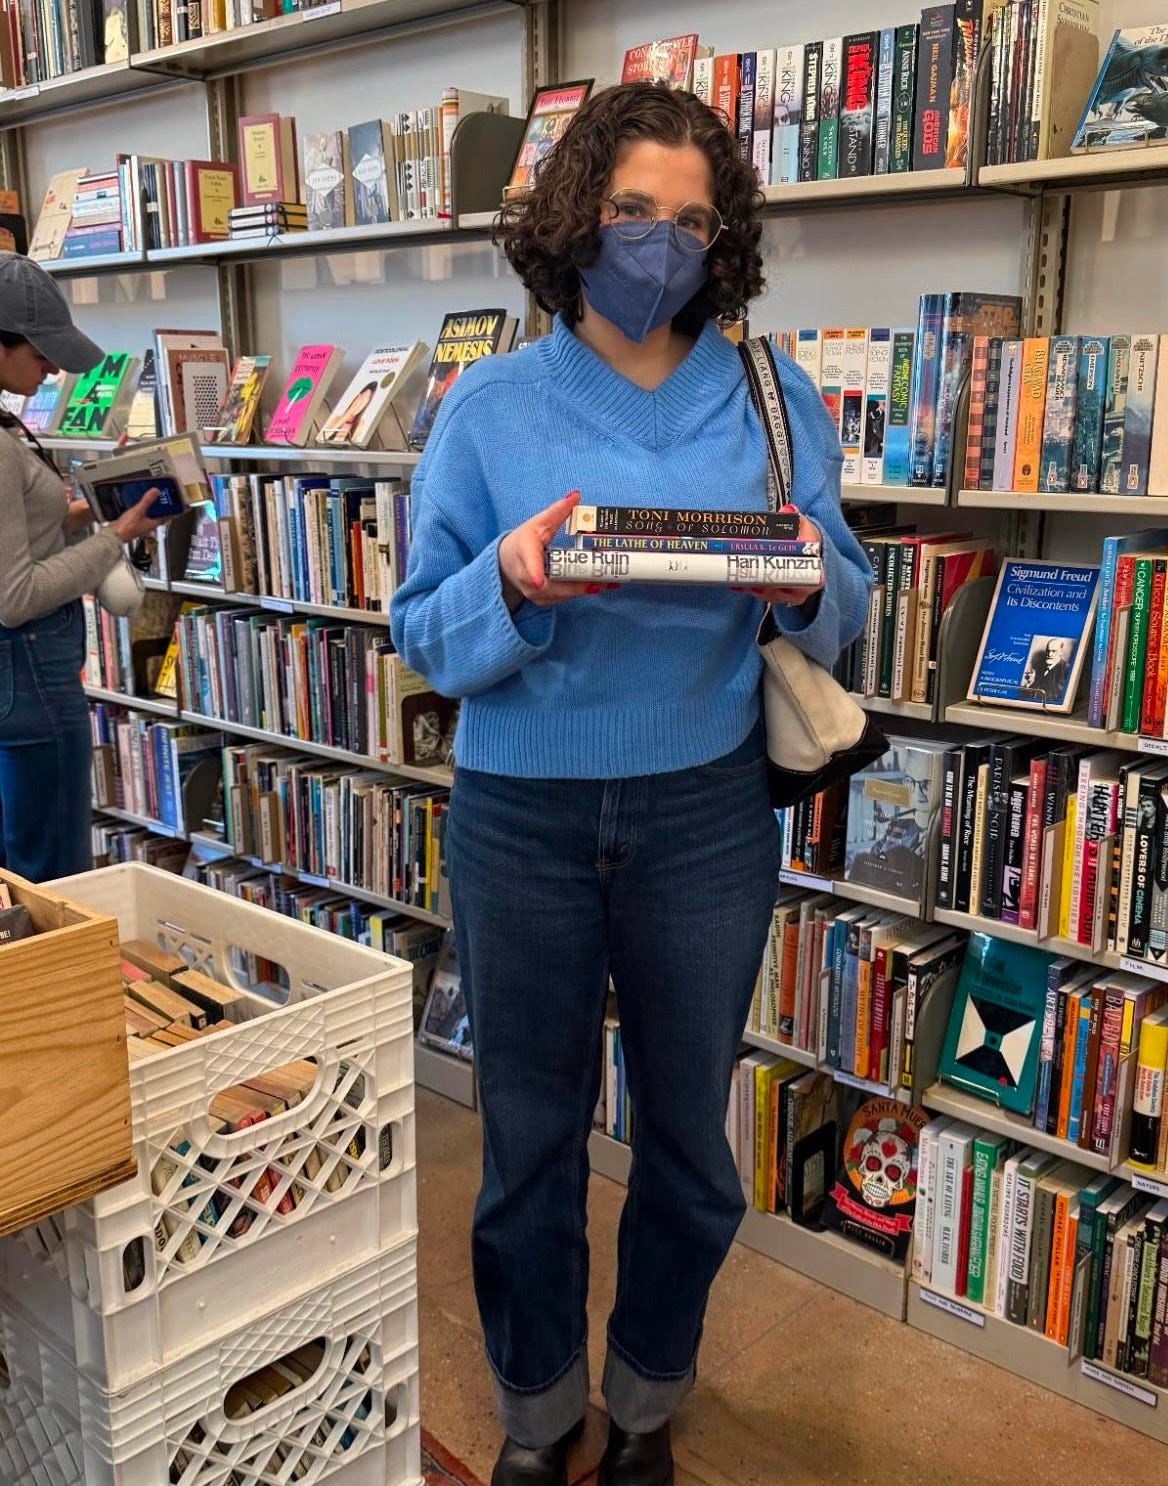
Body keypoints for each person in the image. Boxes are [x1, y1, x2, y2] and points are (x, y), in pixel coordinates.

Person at [390, 83, 871, 1486]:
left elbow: (841, 607)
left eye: (693, 221)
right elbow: (423, 633)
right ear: (575, 218)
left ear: (724, 242)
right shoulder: (490, 406)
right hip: (522, 817)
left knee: (688, 1145)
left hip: (703, 816)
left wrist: (803, 580)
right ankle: (538, 1416)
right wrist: (512, 577)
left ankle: (648, 1405)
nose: (662, 242)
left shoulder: (774, 397)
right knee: (529, 1142)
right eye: (632, 210)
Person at [0, 253, 168, 882]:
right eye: (40, 352)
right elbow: (15, 596)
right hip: (28, 668)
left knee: (19, 868)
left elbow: (15, 530)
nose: (51, 369)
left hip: (16, 675)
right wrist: (115, 537)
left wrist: (89, 507)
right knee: (52, 874)